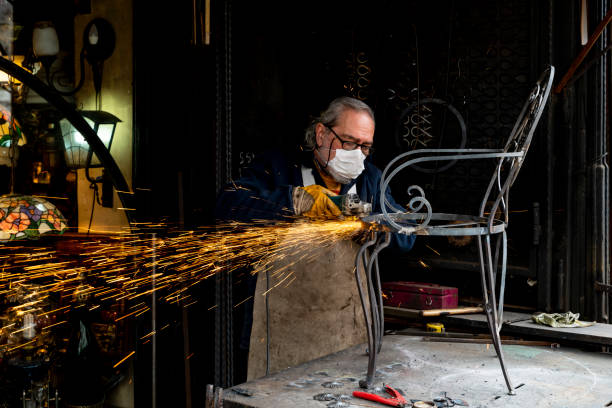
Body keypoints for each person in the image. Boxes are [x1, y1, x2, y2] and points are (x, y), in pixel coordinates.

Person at [215, 96, 415, 382]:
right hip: (280, 329)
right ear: (322, 133)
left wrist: (372, 229)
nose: (357, 153)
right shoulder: (280, 165)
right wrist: (294, 201)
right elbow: (227, 205)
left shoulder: (371, 179)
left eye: (365, 146)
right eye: (348, 142)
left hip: (348, 328)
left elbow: (406, 236)